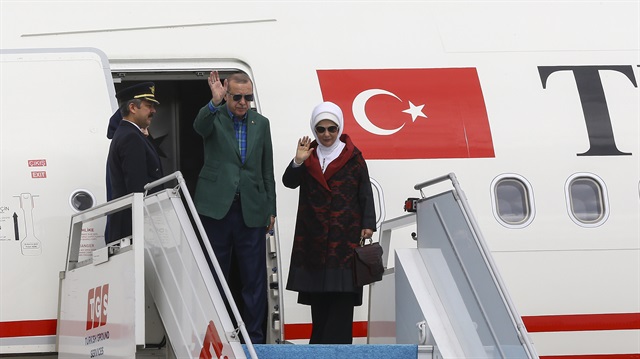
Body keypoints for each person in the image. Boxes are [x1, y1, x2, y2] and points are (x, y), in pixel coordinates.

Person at [193, 71, 276, 344]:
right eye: (237, 97)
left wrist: (270, 208)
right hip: (217, 208)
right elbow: (198, 127)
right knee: (216, 274)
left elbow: (267, 169)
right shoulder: (214, 116)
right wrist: (213, 102)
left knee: (253, 278)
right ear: (227, 94)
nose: (243, 102)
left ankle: (254, 338)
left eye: (248, 97)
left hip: (251, 209)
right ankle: (215, 335)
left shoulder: (261, 123)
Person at [283, 101, 376, 344]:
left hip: (343, 239)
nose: (326, 134)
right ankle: (320, 349)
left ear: (340, 128)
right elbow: (289, 182)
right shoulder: (308, 155)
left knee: (341, 300)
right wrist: (298, 160)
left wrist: (368, 223)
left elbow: (364, 192)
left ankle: (338, 351)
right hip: (313, 239)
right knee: (320, 301)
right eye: (321, 129)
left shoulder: (353, 156)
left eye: (332, 129)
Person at [106, 82, 163, 243]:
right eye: (148, 106)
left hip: (132, 223)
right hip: (133, 226)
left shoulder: (129, 133)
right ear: (132, 108)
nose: (153, 111)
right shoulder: (130, 137)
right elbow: (137, 187)